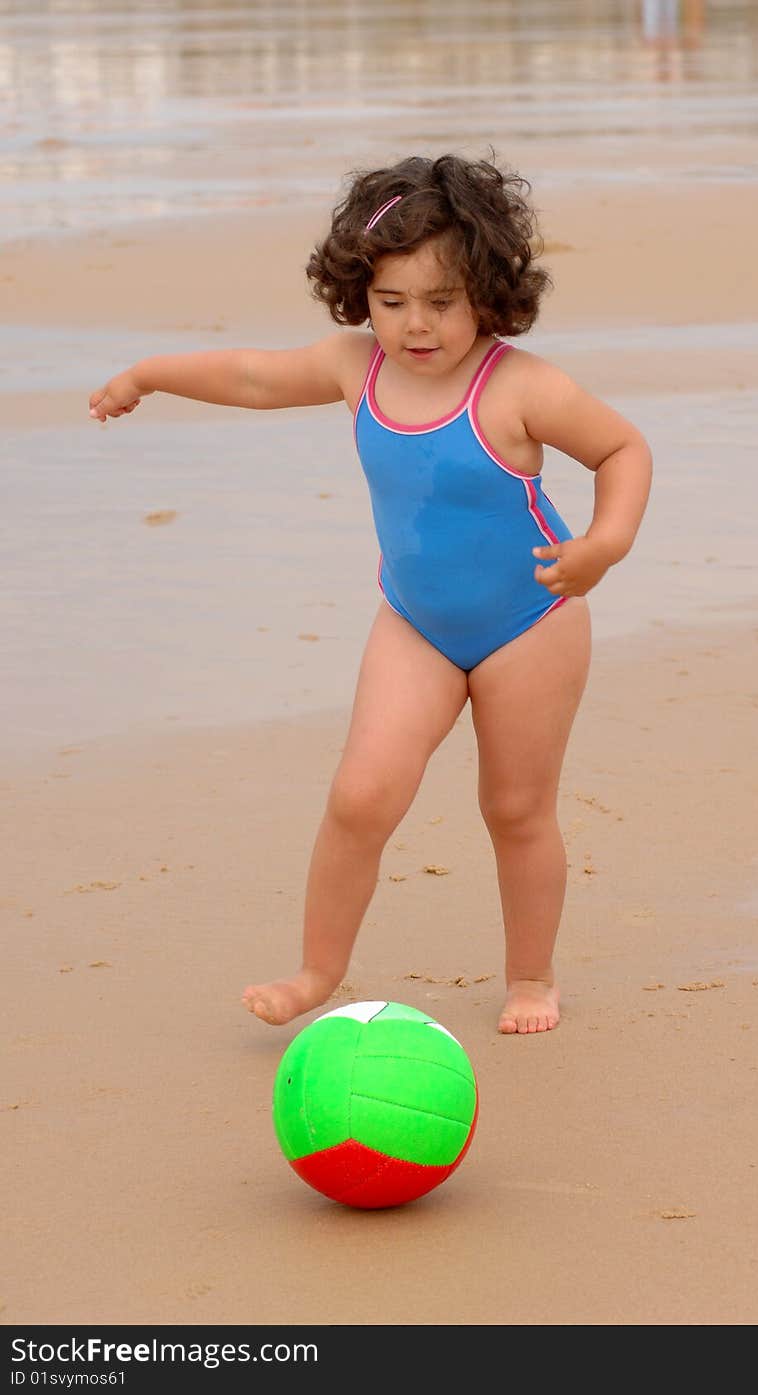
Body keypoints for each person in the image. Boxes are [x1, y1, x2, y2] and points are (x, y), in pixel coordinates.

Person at [89, 152, 652, 1035]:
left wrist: (604, 546)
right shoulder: (358, 369)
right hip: (416, 622)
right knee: (360, 796)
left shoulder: (521, 387)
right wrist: (151, 373)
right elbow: (250, 378)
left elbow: (623, 451)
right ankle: (318, 970)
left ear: (490, 293)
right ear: (360, 291)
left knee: (515, 808)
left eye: (442, 302)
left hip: (532, 619)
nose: (415, 326)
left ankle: (532, 977)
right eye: (392, 302)